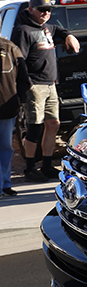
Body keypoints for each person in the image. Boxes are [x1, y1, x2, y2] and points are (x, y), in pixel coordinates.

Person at [11, 0, 80, 182]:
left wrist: (68, 35)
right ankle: (30, 168)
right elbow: (19, 62)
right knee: (35, 128)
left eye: (49, 10)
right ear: (30, 9)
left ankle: (48, 165)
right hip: (35, 86)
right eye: (41, 9)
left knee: (53, 124)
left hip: (51, 85)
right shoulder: (23, 31)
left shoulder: (47, 28)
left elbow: (58, 28)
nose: (46, 13)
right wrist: (26, 86)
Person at [0, 36, 28, 198]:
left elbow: (23, 77)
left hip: (7, 108)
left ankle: (5, 184)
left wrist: (21, 100)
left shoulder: (10, 48)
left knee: (5, 147)